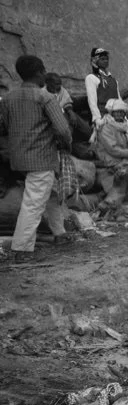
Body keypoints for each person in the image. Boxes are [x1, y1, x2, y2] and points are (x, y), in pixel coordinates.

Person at [0, 55, 73, 261]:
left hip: (19, 159)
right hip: (41, 157)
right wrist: (66, 145)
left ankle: (60, 233)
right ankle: (22, 249)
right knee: (33, 203)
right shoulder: (45, 97)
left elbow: (3, 127)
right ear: (40, 72)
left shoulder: (9, 98)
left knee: (51, 193)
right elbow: (62, 129)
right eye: (44, 72)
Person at [84, 47, 120, 132]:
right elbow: (92, 101)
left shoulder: (113, 81)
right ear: (95, 60)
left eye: (107, 59)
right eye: (102, 59)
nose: (106, 61)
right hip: (102, 118)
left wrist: (125, 119)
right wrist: (97, 119)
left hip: (116, 118)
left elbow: (119, 101)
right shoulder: (91, 78)